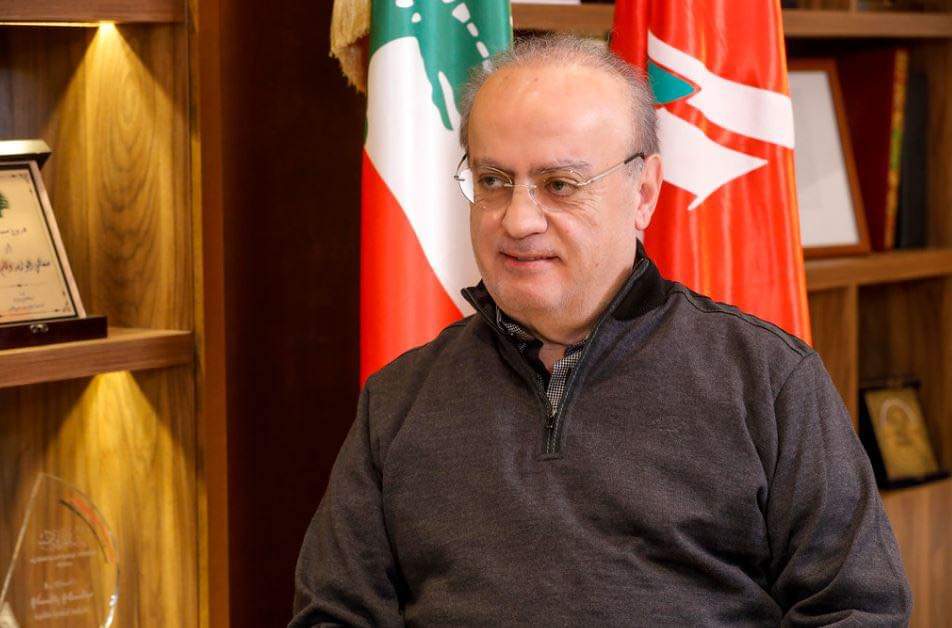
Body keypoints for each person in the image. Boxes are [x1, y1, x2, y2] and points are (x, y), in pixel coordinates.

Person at [290, 35, 912, 626]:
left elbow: (858, 610)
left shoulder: (768, 381)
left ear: (644, 193)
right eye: (493, 181)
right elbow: (334, 616)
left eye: (560, 185)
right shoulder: (399, 399)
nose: (519, 220)